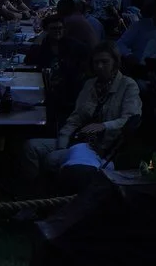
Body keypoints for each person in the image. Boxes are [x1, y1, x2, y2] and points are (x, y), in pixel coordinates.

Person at [23, 46, 142, 183]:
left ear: (115, 63)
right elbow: (75, 118)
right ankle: (34, 189)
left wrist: (103, 126)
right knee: (31, 147)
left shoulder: (127, 85)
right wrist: (63, 142)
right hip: (77, 138)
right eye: (96, 62)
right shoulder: (90, 85)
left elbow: (130, 119)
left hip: (103, 145)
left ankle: (57, 189)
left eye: (104, 62)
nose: (99, 66)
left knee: (54, 159)